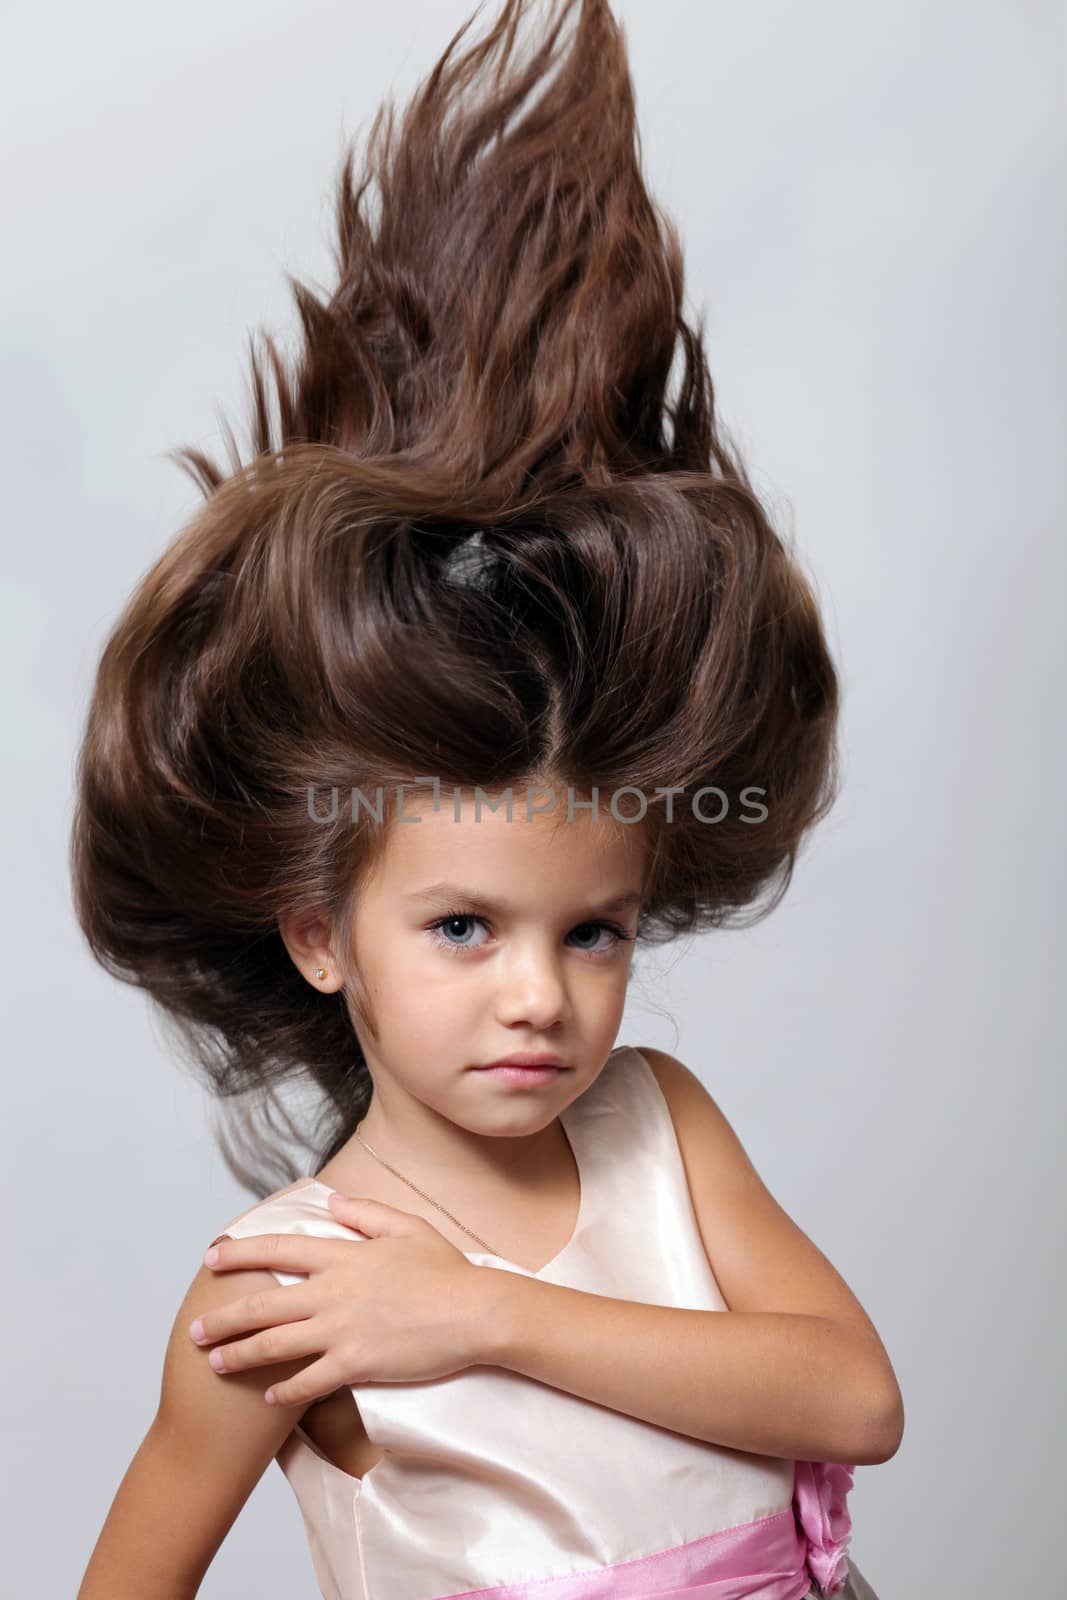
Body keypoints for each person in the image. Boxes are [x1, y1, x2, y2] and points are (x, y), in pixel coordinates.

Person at [71, 1, 902, 1595]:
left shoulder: (659, 1127)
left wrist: (481, 1314)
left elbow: (856, 1399)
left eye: (593, 929)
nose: (540, 996)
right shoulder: (284, 1294)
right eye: (462, 927)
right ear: (321, 936)